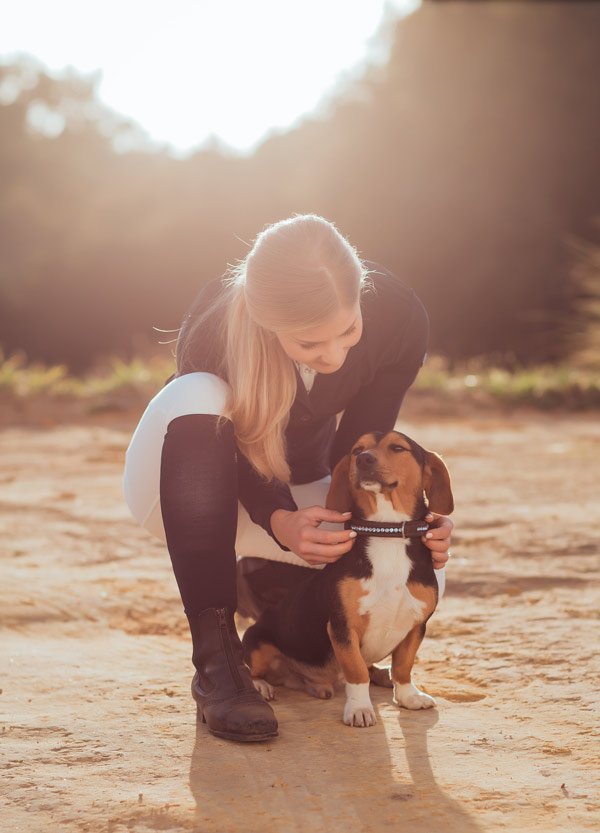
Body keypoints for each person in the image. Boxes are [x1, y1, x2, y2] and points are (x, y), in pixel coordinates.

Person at [122, 213, 453, 743]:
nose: (335, 356)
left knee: (420, 569)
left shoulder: (399, 315)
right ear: (267, 322)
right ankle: (217, 663)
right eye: (310, 344)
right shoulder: (215, 328)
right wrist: (280, 520)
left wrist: (411, 524)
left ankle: (269, 584)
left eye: (347, 331)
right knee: (197, 392)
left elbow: (362, 447)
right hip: (182, 492)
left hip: (298, 481)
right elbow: (230, 454)